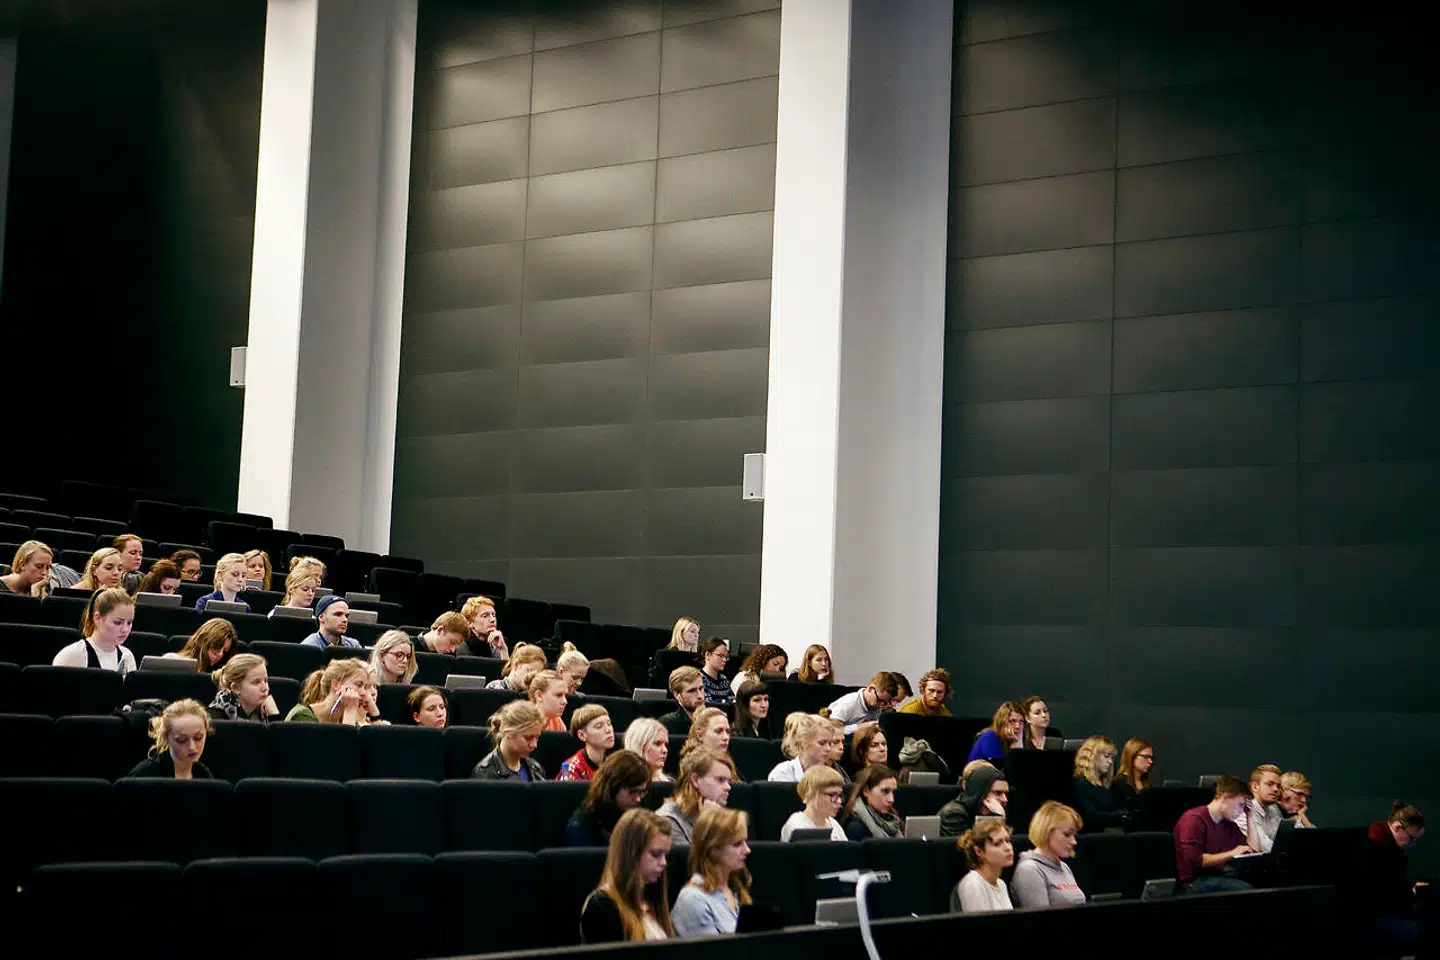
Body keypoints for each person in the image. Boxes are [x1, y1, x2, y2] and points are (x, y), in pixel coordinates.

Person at [579, 809, 675, 943]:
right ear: (631, 854)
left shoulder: (654, 899)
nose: (664, 863)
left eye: (666, 855)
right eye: (655, 854)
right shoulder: (602, 908)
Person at [1356, 801, 1427, 955]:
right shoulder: (1370, 847)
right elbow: (1376, 894)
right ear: (1397, 827)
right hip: (1369, 920)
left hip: (1384, 913)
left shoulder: (1387, 845)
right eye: (1411, 838)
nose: (1412, 843)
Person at [672, 807, 753, 937]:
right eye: (737, 844)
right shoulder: (693, 900)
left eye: (745, 841)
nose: (747, 850)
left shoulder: (735, 888)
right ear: (712, 849)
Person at [1173, 776, 1254, 893]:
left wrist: (1250, 817)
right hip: (1194, 881)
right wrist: (1232, 853)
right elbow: (1196, 861)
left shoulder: (1230, 824)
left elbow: (1247, 850)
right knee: (1246, 889)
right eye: (1240, 805)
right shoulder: (1193, 819)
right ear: (1225, 797)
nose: (1241, 811)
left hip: (1220, 876)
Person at [567, 751, 652, 846]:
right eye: (632, 792)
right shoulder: (583, 827)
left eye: (642, 792)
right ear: (612, 787)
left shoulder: (641, 815)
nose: (638, 799)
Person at [1012, 801, 1086, 908]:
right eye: (1067, 834)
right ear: (1047, 832)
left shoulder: (1064, 866)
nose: (1074, 841)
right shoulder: (1029, 870)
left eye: (1074, 835)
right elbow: (1041, 920)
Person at [657, 747, 736, 844]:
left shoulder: (719, 813)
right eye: (720, 780)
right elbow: (696, 858)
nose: (728, 787)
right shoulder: (667, 821)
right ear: (695, 780)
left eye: (728, 781)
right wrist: (708, 825)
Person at [53, 587, 136, 674]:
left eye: (129, 623)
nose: (125, 629)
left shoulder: (127, 656)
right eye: (118, 622)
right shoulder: (72, 656)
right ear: (97, 618)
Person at [125, 699, 213, 779]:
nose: (192, 747)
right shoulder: (144, 775)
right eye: (181, 740)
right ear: (166, 738)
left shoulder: (203, 774)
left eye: (198, 738)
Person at [472, 700, 546, 780]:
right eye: (528, 738)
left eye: (537, 738)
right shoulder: (484, 774)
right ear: (508, 733)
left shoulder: (535, 768)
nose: (534, 745)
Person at [952, 819, 1015, 913]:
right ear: (979, 851)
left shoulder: (1001, 884)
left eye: (1007, 841)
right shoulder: (973, 885)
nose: (1008, 848)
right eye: (997, 843)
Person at [285, 659, 370, 724]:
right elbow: (345, 746)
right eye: (358, 685)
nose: (364, 693)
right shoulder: (302, 716)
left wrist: (374, 713)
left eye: (365, 687)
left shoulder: (347, 717)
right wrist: (350, 711)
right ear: (336, 685)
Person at [780, 764, 847, 842]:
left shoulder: (834, 825)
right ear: (812, 794)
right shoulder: (796, 825)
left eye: (839, 795)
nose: (839, 801)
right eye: (832, 795)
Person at [939, 762, 1009, 837]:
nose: (1005, 799)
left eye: (1006, 794)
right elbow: (971, 847)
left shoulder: (992, 811)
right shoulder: (953, 815)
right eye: (998, 793)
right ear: (980, 792)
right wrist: (998, 819)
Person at [1072, 736, 1125, 831]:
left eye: (1112, 758)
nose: (1110, 762)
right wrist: (1121, 816)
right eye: (1106, 756)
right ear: (1092, 756)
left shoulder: (1110, 784)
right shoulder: (1080, 783)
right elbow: (1090, 816)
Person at [209, 653, 279, 722]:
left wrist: (274, 717)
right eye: (256, 682)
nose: (265, 688)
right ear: (235, 688)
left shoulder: (266, 711)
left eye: (266, 680)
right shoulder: (215, 719)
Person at [768, 713, 837, 782]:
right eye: (822, 743)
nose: (828, 748)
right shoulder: (782, 773)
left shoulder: (831, 775)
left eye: (830, 743)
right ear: (803, 743)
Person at [841, 764, 903, 840]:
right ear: (866, 791)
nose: (891, 799)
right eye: (885, 791)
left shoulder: (892, 819)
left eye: (893, 792)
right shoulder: (856, 828)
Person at [825, 672, 899, 734]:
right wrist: (859, 727)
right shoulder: (848, 703)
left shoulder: (876, 704)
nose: (880, 706)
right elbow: (831, 731)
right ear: (870, 689)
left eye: (885, 703)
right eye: (880, 700)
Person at [1236, 763, 1284, 853]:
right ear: (1255, 787)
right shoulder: (1244, 812)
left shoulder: (1273, 808)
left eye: (1278, 786)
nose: (1276, 789)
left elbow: (1282, 841)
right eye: (1270, 784)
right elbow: (1268, 849)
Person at [559, 704, 615, 782]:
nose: (608, 730)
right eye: (599, 726)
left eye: (609, 724)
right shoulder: (570, 769)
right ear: (582, 735)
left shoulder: (614, 764)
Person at [169, 618, 237, 671]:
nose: (220, 654)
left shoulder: (221, 676)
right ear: (203, 641)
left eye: (225, 651)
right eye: (217, 647)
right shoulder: (173, 660)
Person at [658, 666, 705, 735]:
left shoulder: (716, 719)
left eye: (701, 688)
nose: (700, 696)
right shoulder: (666, 724)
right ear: (677, 695)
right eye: (692, 691)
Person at [624, 716, 673, 783]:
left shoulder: (669, 786)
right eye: (658, 744)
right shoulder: (622, 785)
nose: (665, 750)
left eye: (665, 745)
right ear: (640, 745)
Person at [1113, 738, 1154, 812]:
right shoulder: (1119, 783)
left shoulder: (1146, 784)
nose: (1150, 761)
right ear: (1132, 756)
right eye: (1146, 757)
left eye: (1151, 758)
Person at [698, 637, 734, 708]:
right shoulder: (698, 679)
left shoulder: (723, 679)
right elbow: (708, 705)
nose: (724, 660)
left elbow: (733, 702)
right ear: (707, 655)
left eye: (726, 656)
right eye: (720, 655)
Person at [824, 716, 852, 783]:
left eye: (842, 742)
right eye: (835, 742)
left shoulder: (839, 770)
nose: (841, 747)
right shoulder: (812, 772)